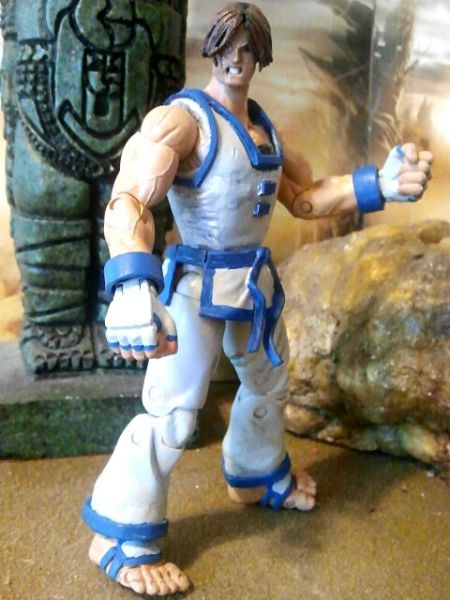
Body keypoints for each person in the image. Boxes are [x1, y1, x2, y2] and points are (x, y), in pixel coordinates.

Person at [81, 3, 433, 596]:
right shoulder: (183, 122)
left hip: (252, 286)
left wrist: (380, 183)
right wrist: (133, 284)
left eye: (248, 49)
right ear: (212, 49)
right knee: (173, 414)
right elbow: (129, 201)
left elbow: (306, 197)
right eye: (227, 47)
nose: (236, 59)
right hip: (195, 284)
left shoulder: (265, 130)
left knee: (269, 385)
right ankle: (120, 536)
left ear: (260, 56)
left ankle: (254, 474)